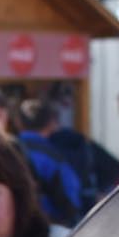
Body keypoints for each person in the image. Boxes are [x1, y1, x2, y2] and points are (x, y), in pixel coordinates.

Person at [13, 97, 86, 227]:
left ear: (18, 122)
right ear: (50, 124)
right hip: (47, 226)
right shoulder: (53, 157)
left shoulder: (7, 151)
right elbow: (70, 195)